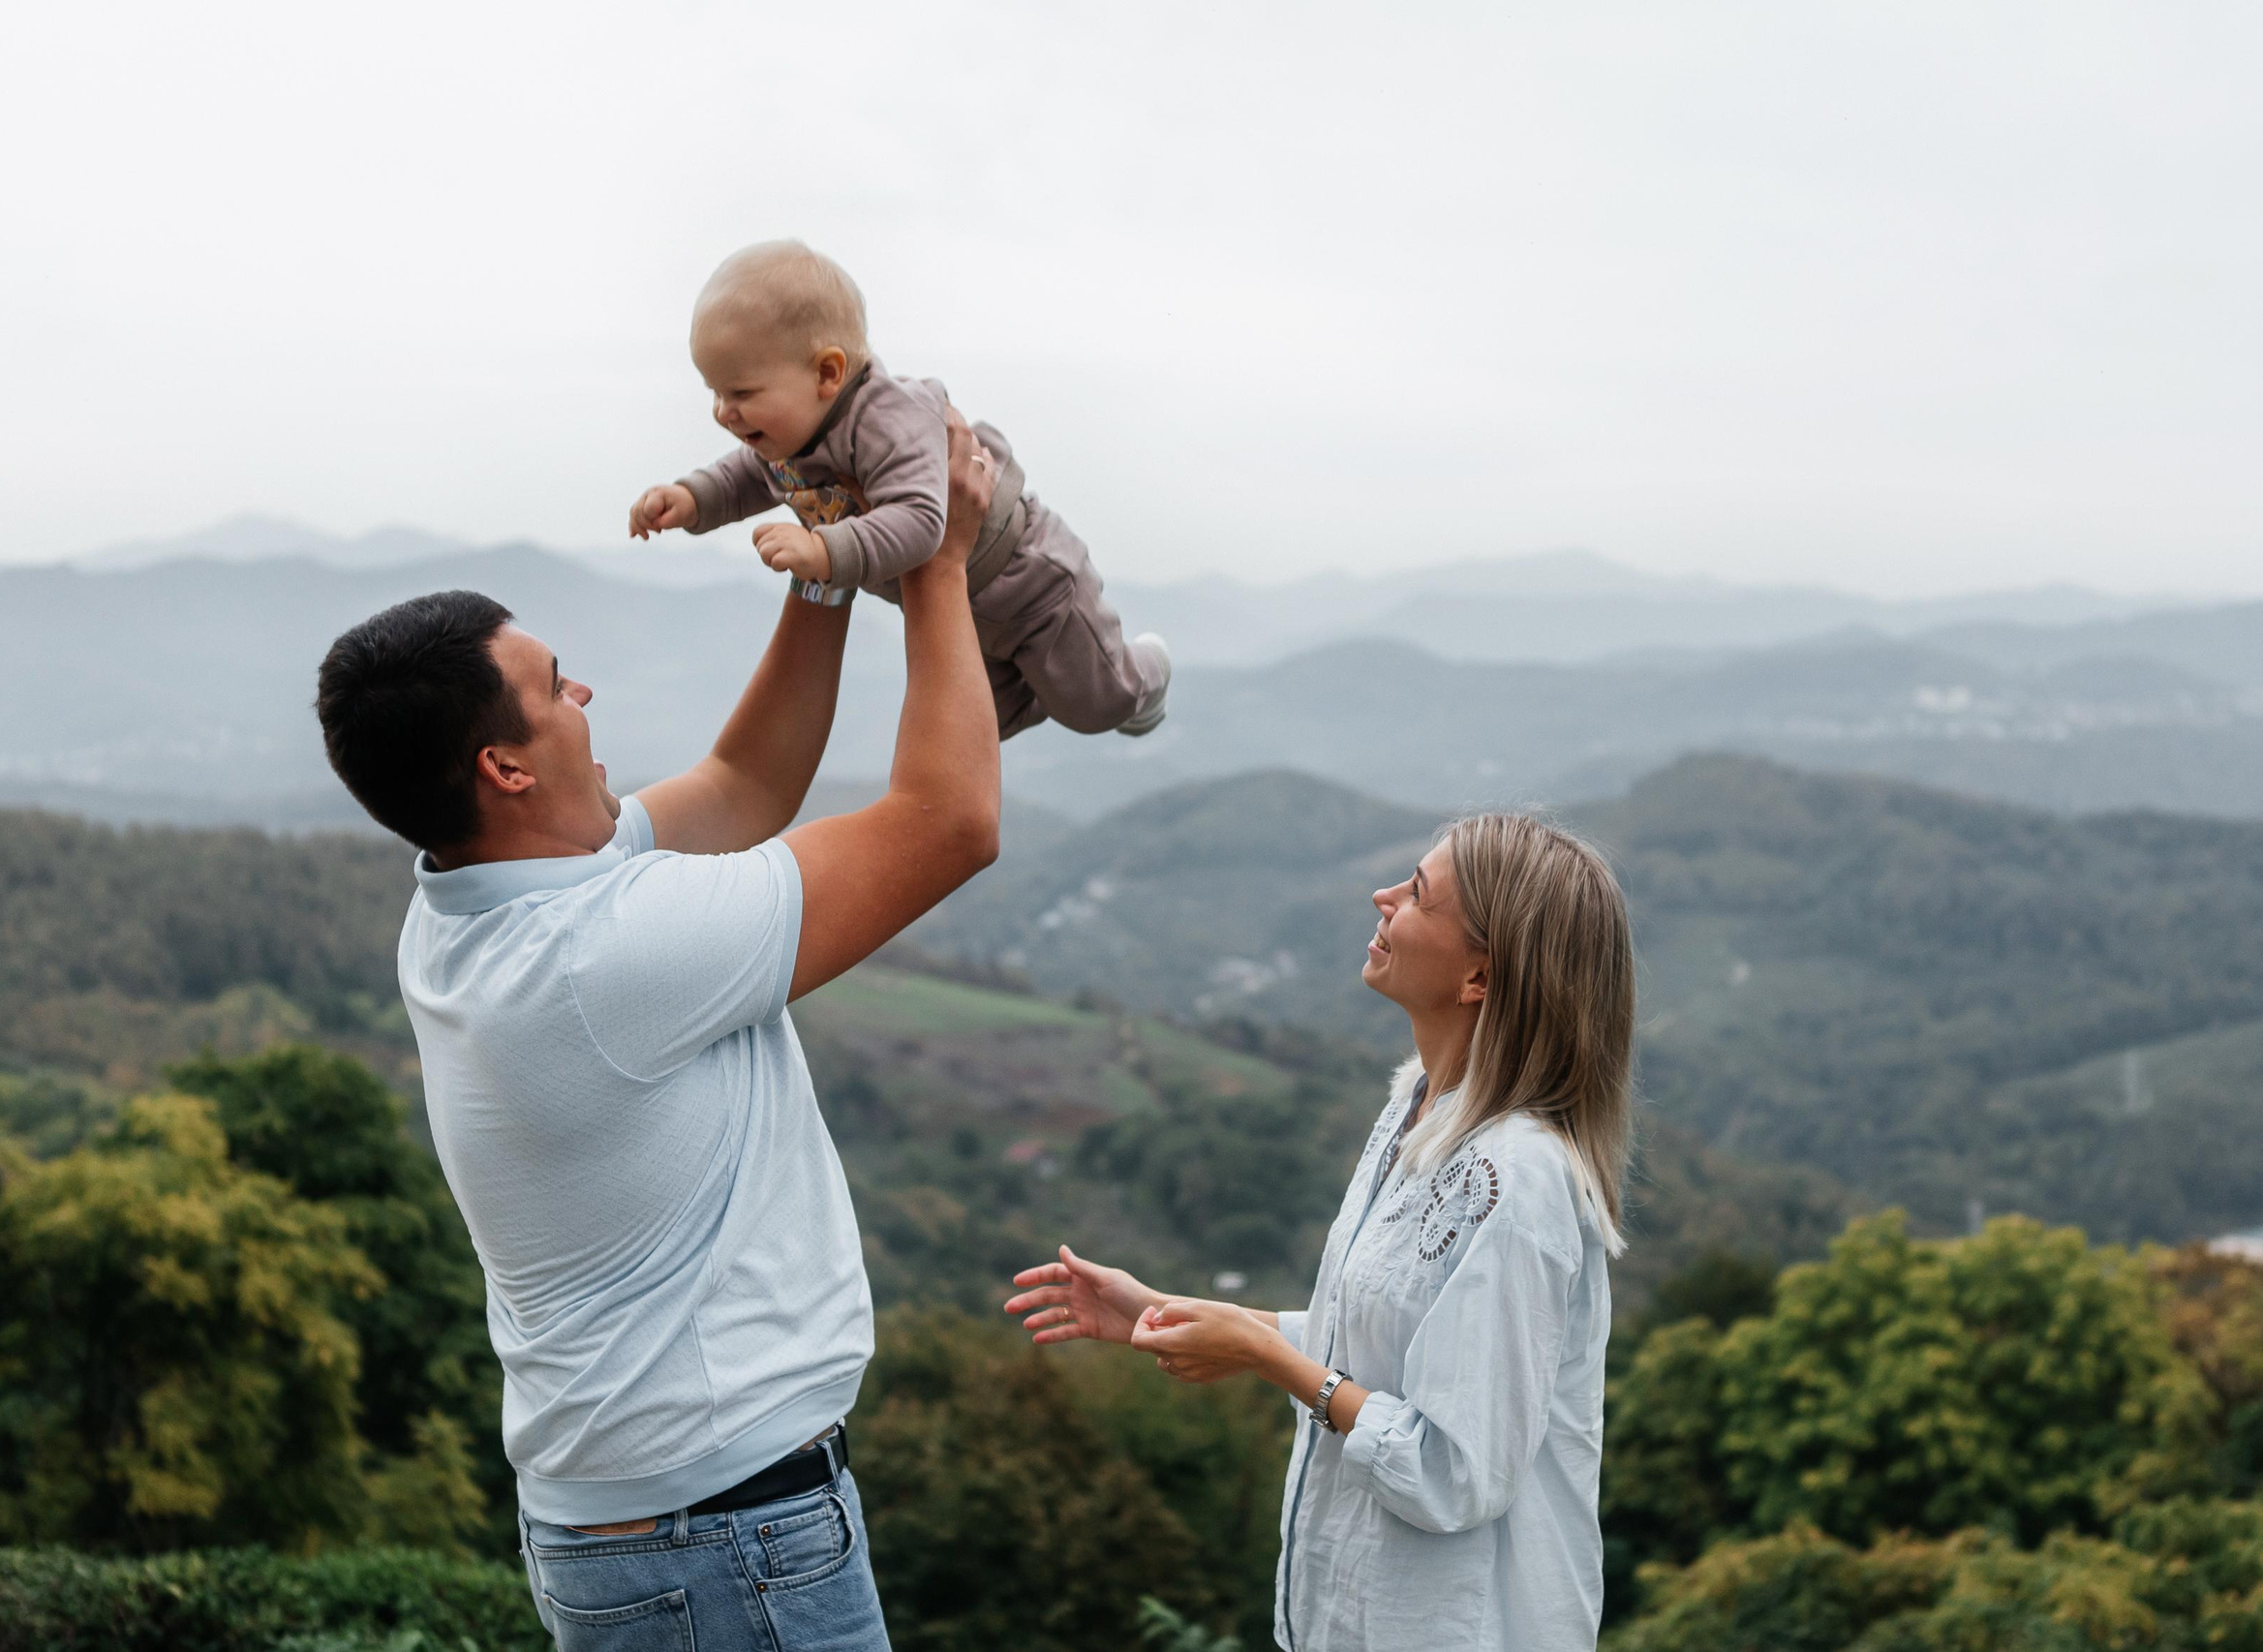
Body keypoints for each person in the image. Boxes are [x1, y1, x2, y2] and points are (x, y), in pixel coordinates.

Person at [312, 414, 1003, 1651]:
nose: (583, 697)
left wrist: (836, 557)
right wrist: (937, 560)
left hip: (653, 1531)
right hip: (723, 1536)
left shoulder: (474, 904)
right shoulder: (602, 955)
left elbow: (746, 785)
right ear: (505, 769)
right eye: (553, 687)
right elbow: (950, 819)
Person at [1006, 814, 1635, 1652]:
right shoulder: (1415, 1109)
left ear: (1480, 975)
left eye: (1415, 894)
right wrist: (1177, 1312)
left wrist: (1267, 1356)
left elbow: (1454, 1473)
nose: (1381, 897)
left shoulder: (1516, 1182)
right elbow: (1381, 1345)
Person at [627, 238, 1172, 742]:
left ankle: (1146, 671)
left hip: (1028, 584)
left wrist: (823, 550)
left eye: (741, 391)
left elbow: (920, 520)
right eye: (715, 392)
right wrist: (693, 499)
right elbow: (747, 475)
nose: (724, 412)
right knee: (979, 727)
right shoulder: (791, 440)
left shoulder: (887, 418)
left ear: (828, 373)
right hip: (962, 609)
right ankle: (1049, 679)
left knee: (1099, 706)